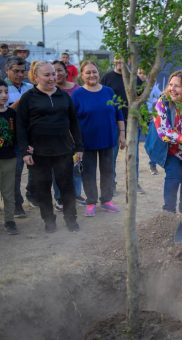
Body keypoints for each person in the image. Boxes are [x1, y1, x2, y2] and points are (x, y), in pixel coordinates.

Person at [16, 61, 84, 232]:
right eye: (47, 75)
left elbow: (74, 124)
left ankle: (71, 220)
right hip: (38, 152)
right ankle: (49, 221)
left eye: (53, 74)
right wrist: (25, 150)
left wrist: (79, 147)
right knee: (43, 189)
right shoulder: (28, 98)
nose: (52, 78)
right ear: (35, 76)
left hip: (63, 151)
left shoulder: (64, 96)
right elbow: (21, 126)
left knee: (67, 188)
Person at [145, 70, 182, 214]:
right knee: (174, 175)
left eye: (177, 86)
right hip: (170, 149)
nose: (172, 88)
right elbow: (163, 132)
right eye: (170, 84)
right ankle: (168, 213)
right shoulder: (162, 102)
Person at [72, 60, 125, 217]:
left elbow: (119, 114)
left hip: (108, 139)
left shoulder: (108, 91)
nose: (91, 75)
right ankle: (91, 202)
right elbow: (72, 121)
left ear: (98, 73)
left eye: (94, 71)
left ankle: (107, 200)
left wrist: (122, 134)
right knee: (88, 173)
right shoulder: (77, 94)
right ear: (82, 75)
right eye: (87, 72)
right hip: (86, 141)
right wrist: (76, 144)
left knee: (108, 171)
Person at [101, 57, 144, 194]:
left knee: (133, 156)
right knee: (111, 156)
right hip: (112, 123)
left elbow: (141, 99)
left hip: (132, 122)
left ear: (129, 61)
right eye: (117, 59)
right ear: (113, 60)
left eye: (123, 59)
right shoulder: (107, 78)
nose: (120, 61)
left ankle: (133, 184)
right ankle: (110, 185)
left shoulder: (135, 79)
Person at [51, 60, 84, 210]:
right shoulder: (49, 91)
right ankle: (59, 198)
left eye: (59, 70)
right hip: (56, 138)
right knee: (58, 169)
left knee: (76, 167)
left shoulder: (77, 90)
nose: (57, 74)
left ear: (66, 72)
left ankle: (76, 194)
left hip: (75, 134)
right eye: (53, 71)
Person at [5, 56, 34, 218]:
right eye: (16, 71)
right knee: (15, 173)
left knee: (36, 170)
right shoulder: (3, 88)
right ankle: (17, 204)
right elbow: (6, 112)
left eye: (23, 71)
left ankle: (32, 195)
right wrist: (23, 100)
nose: (20, 74)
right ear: (7, 70)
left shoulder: (30, 87)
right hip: (11, 138)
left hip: (31, 135)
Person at [0, 79, 18, 235]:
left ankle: (10, 220)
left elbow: (18, 135)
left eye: (6, 92)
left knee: (8, 191)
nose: (4, 95)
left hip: (9, 158)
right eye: (0, 92)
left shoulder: (12, 114)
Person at [137, 67, 162, 175]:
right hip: (136, 117)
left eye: (144, 73)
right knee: (134, 143)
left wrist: (155, 112)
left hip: (149, 117)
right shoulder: (134, 86)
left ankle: (153, 164)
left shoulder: (153, 87)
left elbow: (161, 99)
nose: (142, 75)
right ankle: (133, 167)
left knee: (151, 142)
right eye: (139, 73)